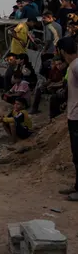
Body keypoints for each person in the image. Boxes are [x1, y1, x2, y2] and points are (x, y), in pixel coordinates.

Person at [56, 37, 78, 202]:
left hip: (77, 116)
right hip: (73, 114)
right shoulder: (73, 67)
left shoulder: (76, 66)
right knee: (76, 155)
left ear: (62, 51)